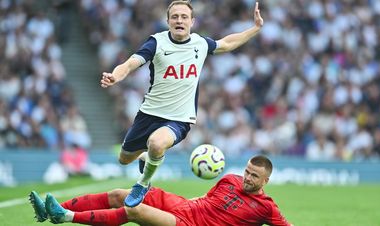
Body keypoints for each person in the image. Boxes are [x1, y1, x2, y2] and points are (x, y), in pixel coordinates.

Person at [99, 0, 265, 207]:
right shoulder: (156, 43)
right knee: (124, 159)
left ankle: (142, 184)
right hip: (149, 113)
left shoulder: (200, 44)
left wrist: (255, 28)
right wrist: (116, 76)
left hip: (179, 118)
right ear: (168, 21)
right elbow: (131, 63)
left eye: (184, 17)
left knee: (157, 144)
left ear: (192, 21)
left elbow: (227, 43)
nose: (179, 20)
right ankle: (146, 157)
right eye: (175, 16)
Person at [30, 155, 293, 226]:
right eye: (247, 171)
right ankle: (50, 209)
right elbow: (207, 198)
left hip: (189, 225)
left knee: (134, 210)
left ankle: (64, 217)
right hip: (185, 206)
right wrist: (177, 202)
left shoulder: (266, 207)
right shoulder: (231, 179)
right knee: (120, 194)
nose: (247, 178)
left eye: (254, 176)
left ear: (265, 181)